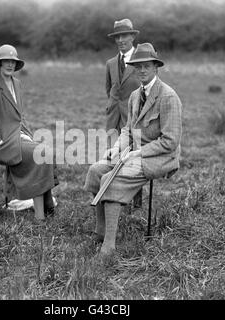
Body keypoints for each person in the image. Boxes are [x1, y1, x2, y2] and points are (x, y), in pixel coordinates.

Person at [84, 43, 182, 254]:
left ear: (156, 67)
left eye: (147, 66)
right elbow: (128, 130)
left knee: (113, 180)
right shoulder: (135, 96)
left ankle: (108, 247)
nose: (142, 71)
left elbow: (171, 141)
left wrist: (138, 153)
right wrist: (117, 149)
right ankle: (100, 231)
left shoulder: (168, 97)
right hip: (134, 152)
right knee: (96, 171)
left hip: (160, 156)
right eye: (138, 67)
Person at [0, 44, 56, 221]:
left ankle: (47, 203)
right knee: (40, 154)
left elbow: (19, 116)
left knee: (47, 153)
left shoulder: (18, 84)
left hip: (19, 136)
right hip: (3, 142)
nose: (10, 65)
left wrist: (28, 134)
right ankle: (40, 216)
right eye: (6, 61)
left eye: (13, 61)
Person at [106, 18, 144, 211]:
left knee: (134, 160)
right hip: (114, 118)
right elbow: (110, 90)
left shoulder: (143, 60)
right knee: (113, 158)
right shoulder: (111, 63)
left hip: (135, 119)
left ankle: (136, 205)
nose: (121, 40)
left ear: (132, 36)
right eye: (117, 36)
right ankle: (116, 200)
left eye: (124, 35)